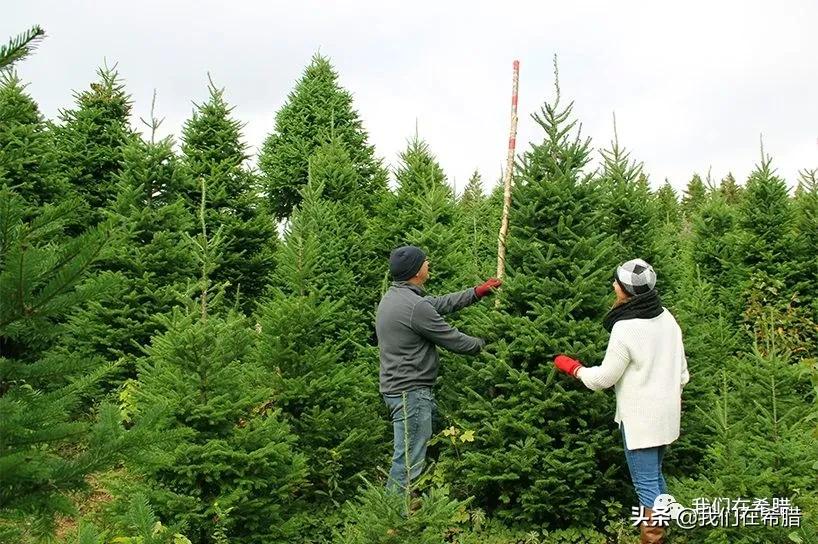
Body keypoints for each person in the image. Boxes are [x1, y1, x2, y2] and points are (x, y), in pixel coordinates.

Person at [552, 258, 689, 544]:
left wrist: (574, 369)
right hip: (666, 417)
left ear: (627, 291)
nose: (614, 285)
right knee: (655, 476)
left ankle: (654, 538)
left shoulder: (626, 328)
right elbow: (683, 374)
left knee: (646, 484)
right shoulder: (666, 317)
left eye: (617, 282)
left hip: (641, 422)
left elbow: (604, 378)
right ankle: (662, 532)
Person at [376, 245, 502, 494]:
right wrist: (491, 343)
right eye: (425, 261)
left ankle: (416, 502)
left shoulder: (395, 297)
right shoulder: (415, 306)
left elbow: (438, 303)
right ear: (416, 270)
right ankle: (392, 513)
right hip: (411, 393)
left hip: (398, 389)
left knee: (415, 450)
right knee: (408, 462)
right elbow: (453, 339)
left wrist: (476, 292)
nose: (428, 263)